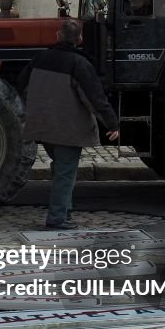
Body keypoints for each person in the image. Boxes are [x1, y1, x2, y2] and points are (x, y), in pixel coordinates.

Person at [18, 19, 119, 230]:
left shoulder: (39, 59)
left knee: (62, 169)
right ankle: (57, 217)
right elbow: (95, 98)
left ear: (57, 35)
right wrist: (111, 123)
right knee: (65, 171)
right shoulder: (80, 64)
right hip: (67, 129)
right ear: (80, 39)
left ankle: (65, 210)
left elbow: (22, 84)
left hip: (42, 126)